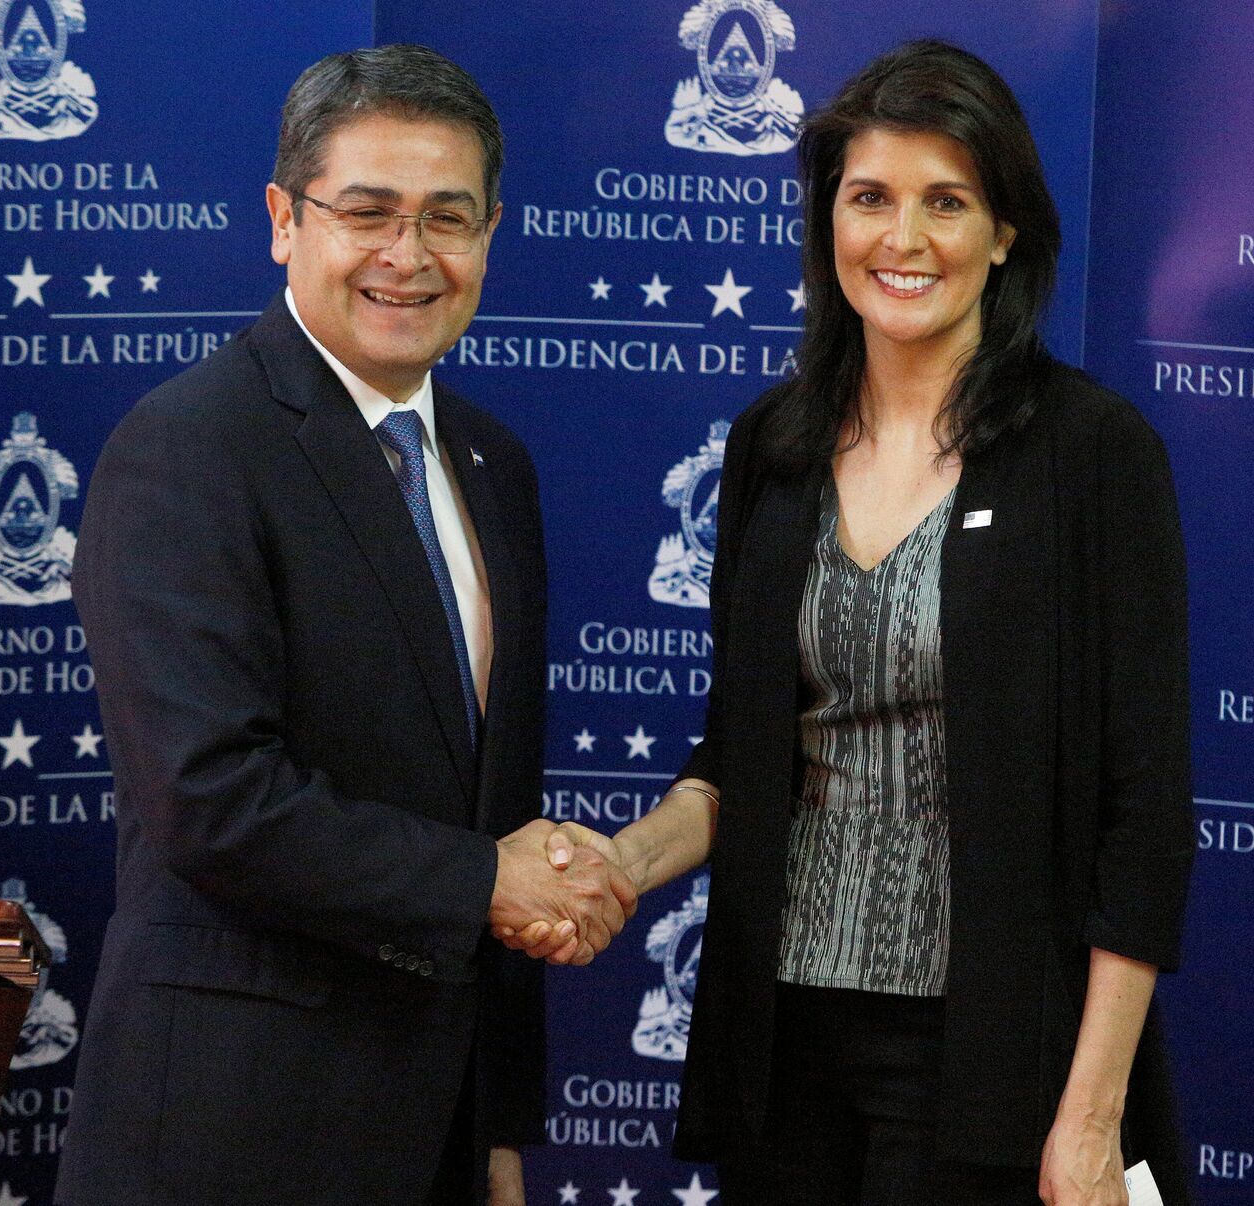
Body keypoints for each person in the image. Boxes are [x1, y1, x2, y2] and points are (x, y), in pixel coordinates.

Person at [501, 40, 1193, 1205]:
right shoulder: (770, 449)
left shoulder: (1090, 455)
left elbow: (1145, 816)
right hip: (782, 1046)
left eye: (946, 202)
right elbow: (742, 757)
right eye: (870, 197)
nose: (902, 239)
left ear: (1005, 232)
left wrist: (1092, 1116)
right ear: (829, 219)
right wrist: (622, 864)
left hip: (991, 1056)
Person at [59, 45, 635, 1206]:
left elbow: (493, 799)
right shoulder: (189, 447)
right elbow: (209, 799)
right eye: (367, 213)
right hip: (234, 1129)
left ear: (491, 233)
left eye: (447, 218)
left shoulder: (494, 464)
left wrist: (497, 1128)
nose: (407, 257)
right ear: (285, 220)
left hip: (439, 1130)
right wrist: (483, 880)